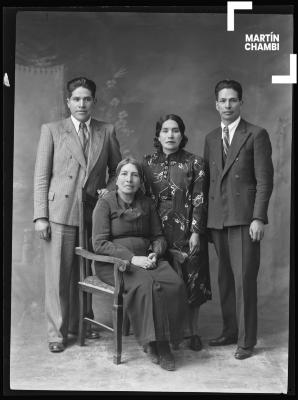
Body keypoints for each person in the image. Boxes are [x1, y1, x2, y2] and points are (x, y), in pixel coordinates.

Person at [33, 77, 122, 353]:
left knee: (85, 273)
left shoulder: (106, 131)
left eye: (87, 99)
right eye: (76, 99)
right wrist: (41, 216)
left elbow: (117, 172)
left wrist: (105, 196)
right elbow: (41, 176)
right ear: (68, 102)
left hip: (91, 215)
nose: (81, 104)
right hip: (59, 213)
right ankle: (57, 333)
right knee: (59, 276)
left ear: (93, 101)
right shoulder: (52, 130)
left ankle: (82, 324)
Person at [92, 158, 188, 371]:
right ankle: (156, 344)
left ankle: (164, 338)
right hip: (116, 263)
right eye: (124, 174)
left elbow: (158, 235)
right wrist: (131, 259)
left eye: (134, 175)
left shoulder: (146, 203)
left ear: (140, 180)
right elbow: (99, 243)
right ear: (116, 180)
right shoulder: (105, 203)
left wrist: (155, 252)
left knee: (175, 283)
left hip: (147, 259)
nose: (129, 179)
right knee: (147, 285)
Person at [203, 79, 274, 360]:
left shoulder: (256, 134)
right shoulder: (210, 138)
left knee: (244, 279)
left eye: (233, 100)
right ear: (216, 104)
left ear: (241, 103)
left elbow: (264, 181)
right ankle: (230, 330)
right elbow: (208, 182)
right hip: (217, 220)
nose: (228, 105)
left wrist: (258, 217)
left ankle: (246, 341)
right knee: (225, 280)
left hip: (244, 219)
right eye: (223, 100)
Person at [142, 114, 212, 351]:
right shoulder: (147, 163)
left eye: (175, 130)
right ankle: (164, 333)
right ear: (158, 135)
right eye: (165, 130)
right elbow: (139, 196)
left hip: (188, 229)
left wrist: (196, 232)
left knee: (193, 279)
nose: (170, 135)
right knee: (162, 280)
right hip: (157, 230)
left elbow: (201, 200)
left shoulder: (196, 162)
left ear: (182, 135)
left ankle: (192, 332)